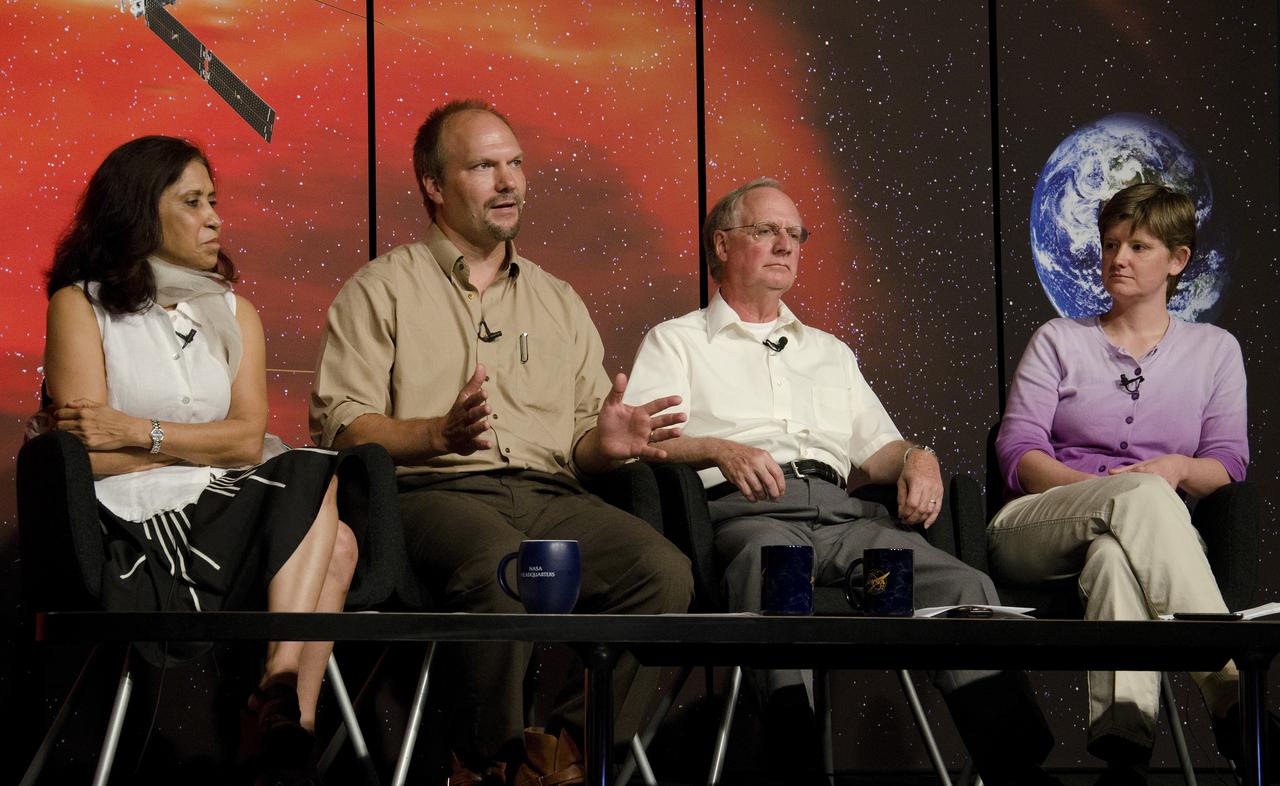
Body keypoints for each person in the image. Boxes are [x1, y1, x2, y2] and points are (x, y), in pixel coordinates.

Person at [624, 177, 1060, 786]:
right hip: (751, 515)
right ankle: (796, 766)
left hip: (848, 526)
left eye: (795, 234)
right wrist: (717, 448)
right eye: (766, 230)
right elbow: (639, 441)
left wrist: (918, 458)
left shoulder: (829, 352)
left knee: (964, 585)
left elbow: (879, 448)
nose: (785, 244)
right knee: (776, 570)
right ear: (721, 244)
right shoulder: (677, 341)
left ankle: (1018, 773)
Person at [309, 99, 693, 786]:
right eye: (484, 166)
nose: (509, 181)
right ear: (433, 184)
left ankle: (564, 755)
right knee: (502, 566)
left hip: (550, 495)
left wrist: (605, 445)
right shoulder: (382, 288)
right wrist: (436, 433)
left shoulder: (558, 300)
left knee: (662, 573)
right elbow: (344, 423)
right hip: (432, 495)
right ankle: (485, 760)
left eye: (515, 163)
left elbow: (580, 441)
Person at [40, 135, 384, 772]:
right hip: (134, 522)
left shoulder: (234, 312)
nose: (215, 219)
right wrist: (197, 450)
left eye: (214, 201)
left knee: (338, 536)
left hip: (223, 503)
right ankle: (281, 716)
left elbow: (248, 439)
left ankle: (281, 711)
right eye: (193, 202)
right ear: (141, 211)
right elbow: (84, 458)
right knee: (317, 492)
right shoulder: (80, 307)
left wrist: (138, 431)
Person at [989, 183, 1263, 785]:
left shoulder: (1215, 351)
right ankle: (1233, 696)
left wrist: (1176, 469)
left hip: (1143, 535)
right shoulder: (1059, 339)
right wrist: (1113, 492)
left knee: (1115, 555)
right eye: (1111, 244)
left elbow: (1226, 462)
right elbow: (1018, 451)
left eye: (1138, 246)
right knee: (1137, 500)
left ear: (1178, 259)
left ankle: (1123, 755)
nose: (1118, 259)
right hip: (1035, 527)